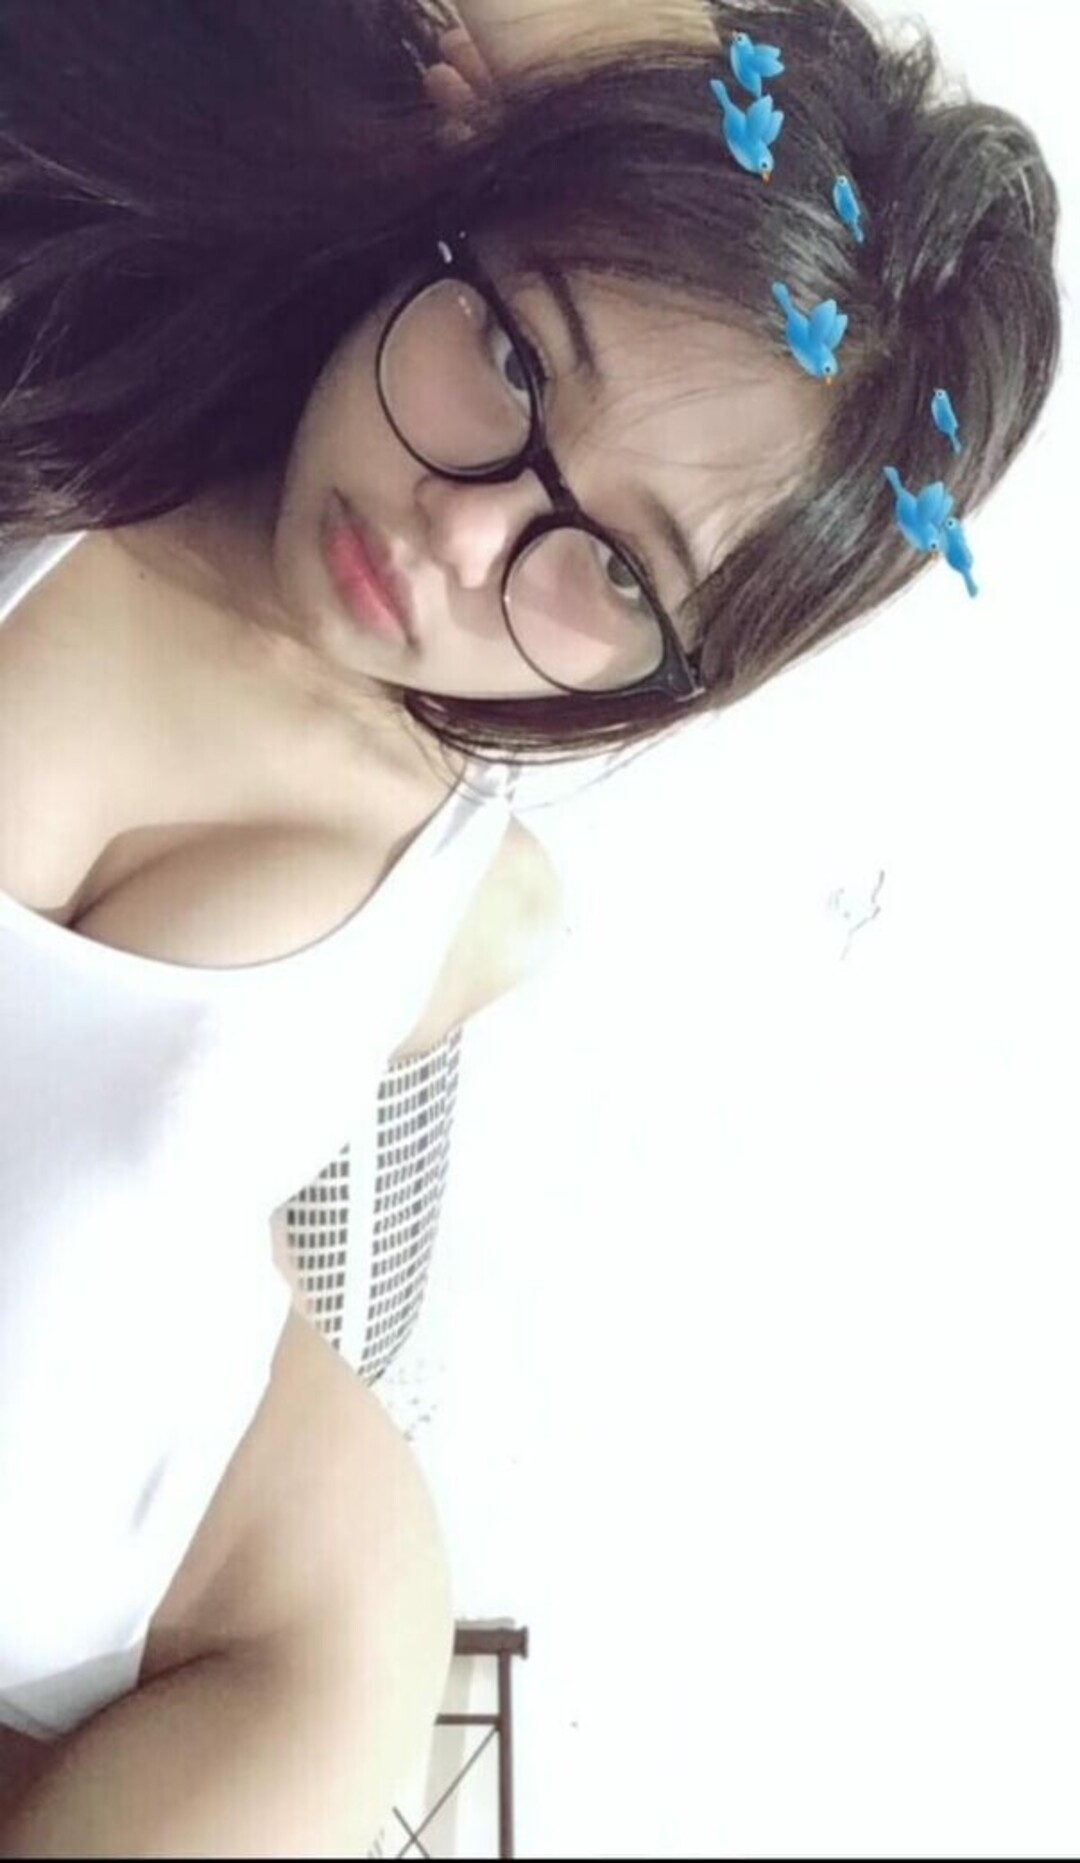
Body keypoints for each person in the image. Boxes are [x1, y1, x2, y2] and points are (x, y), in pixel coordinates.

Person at [0, 0, 1061, 1852]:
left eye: (617, 570)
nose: (462, 537)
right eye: (511, 357)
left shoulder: (481, 912)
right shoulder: (83, 357)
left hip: (242, 1592)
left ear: (687, 668)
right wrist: (585, 76)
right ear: (457, 210)